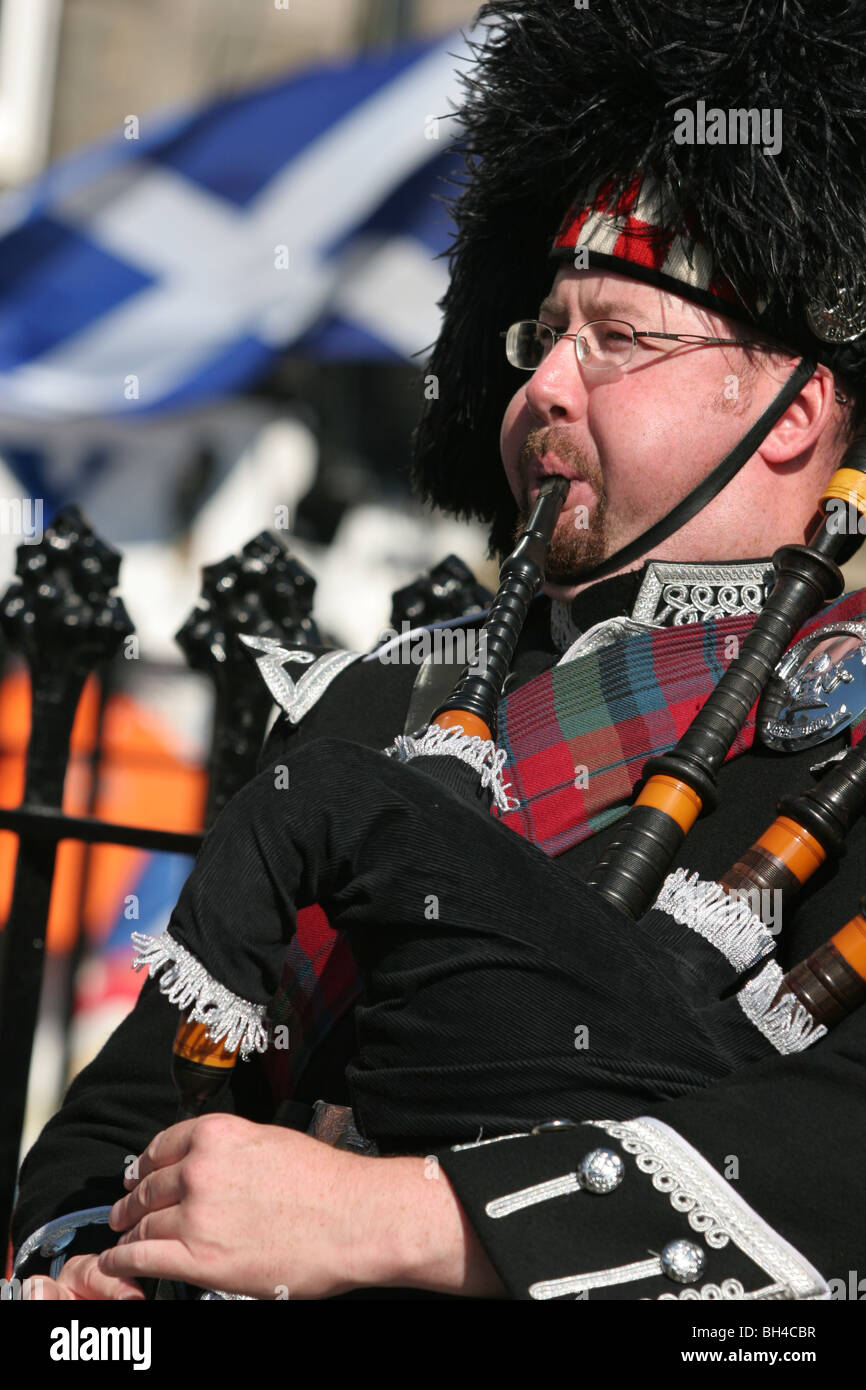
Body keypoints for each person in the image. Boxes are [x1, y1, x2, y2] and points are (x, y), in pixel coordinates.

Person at [13, 0, 866, 1300]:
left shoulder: (844, 705)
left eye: (620, 339)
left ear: (795, 407)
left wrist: (396, 1215)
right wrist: (95, 1267)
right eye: (546, 335)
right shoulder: (387, 690)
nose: (542, 389)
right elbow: (118, 1118)